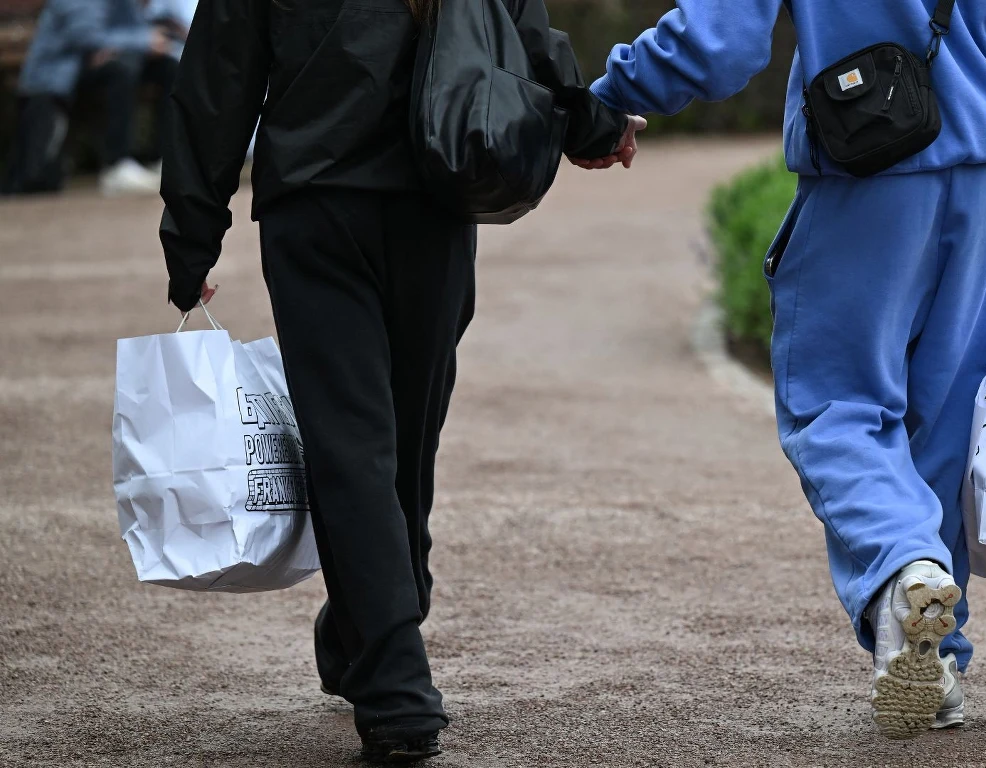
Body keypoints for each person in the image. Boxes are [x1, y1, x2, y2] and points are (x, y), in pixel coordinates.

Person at [589, 0, 986, 738]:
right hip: (982, 189)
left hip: (865, 172)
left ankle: (904, 566)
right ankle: (933, 655)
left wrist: (609, 97)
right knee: (942, 429)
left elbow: (720, 40)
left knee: (835, 409)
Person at [157, 0, 643, 762]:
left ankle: (366, 635)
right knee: (388, 448)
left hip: (320, 199)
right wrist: (594, 123)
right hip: (432, 192)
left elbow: (218, 80)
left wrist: (191, 237)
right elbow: (523, 35)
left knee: (365, 450)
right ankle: (395, 690)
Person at [2, 0, 175, 196]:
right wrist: (141, 41)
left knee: (168, 68)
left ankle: (162, 160)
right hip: (57, 77)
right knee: (120, 72)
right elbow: (84, 36)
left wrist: (134, 42)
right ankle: (117, 166)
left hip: (93, 66)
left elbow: (134, 27)